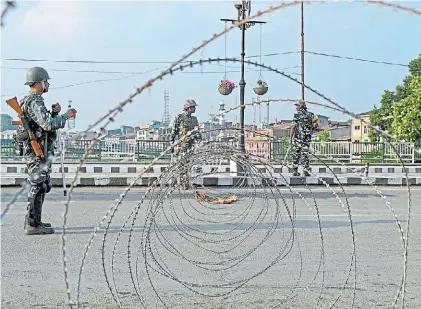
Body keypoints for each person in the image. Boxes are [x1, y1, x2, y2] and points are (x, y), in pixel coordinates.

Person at [16, 66, 77, 235]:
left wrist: (54, 112)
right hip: (35, 152)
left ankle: (36, 221)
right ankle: (31, 224)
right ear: (39, 82)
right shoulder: (34, 101)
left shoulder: (36, 101)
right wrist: (66, 116)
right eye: (46, 81)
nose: (48, 84)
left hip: (40, 151)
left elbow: (42, 124)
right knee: (37, 185)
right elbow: (47, 124)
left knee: (43, 185)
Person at [170, 99, 201, 187]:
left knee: (188, 164)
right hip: (181, 145)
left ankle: (185, 181)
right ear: (188, 108)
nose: (195, 108)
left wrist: (199, 141)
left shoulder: (194, 119)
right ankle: (174, 181)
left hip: (190, 145)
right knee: (178, 163)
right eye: (193, 107)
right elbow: (174, 131)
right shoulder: (180, 117)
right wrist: (172, 143)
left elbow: (197, 132)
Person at [289, 101, 318, 177]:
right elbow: (315, 126)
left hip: (298, 138)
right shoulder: (311, 115)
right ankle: (306, 171)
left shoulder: (297, 115)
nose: (296, 107)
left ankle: (295, 171)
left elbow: (293, 126)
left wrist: (290, 137)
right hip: (306, 139)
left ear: (301, 106)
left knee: (296, 154)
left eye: (297, 106)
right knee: (305, 155)